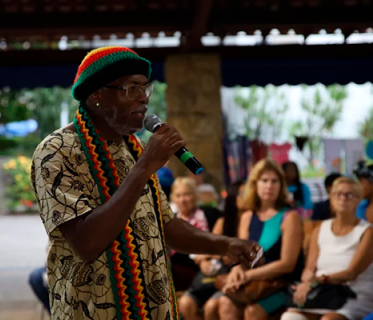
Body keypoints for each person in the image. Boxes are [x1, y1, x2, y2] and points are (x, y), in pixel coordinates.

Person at [30, 46, 261, 320]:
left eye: (145, 89)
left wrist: (224, 245)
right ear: (96, 93)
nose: (143, 99)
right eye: (131, 89)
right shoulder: (56, 151)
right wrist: (144, 167)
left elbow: (167, 226)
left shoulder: (135, 148)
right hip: (90, 311)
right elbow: (87, 242)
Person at [218, 159, 304, 320]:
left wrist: (248, 276)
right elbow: (241, 256)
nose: (269, 186)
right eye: (264, 180)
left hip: (280, 284)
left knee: (252, 312)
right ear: (255, 184)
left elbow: (287, 264)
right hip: (251, 282)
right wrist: (237, 270)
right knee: (225, 303)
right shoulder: (247, 216)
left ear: (281, 185)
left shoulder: (290, 217)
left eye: (274, 181)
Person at [281, 177, 373, 320]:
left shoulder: (367, 232)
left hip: (353, 295)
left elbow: (351, 273)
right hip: (323, 293)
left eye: (349, 195)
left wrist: (317, 280)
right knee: (290, 317)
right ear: (331, 198)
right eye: (339, 194)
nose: (343, 198)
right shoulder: (320, 229)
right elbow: (310, 267)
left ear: (358, 200)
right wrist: (306, 281)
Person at [179, 180, 246, 320]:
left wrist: (213, 256)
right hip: (212, 274)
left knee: (211, 307)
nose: (248, 196)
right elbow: (208, 248)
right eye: (242, 194)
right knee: (185, 303)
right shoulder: (224, 221)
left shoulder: (253, 220)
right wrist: (203, 261)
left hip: (232, 276)